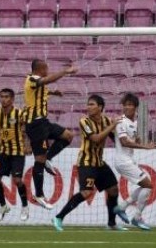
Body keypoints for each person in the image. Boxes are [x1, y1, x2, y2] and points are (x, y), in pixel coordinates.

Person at [52, 94, 129, 232]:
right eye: (88, 104)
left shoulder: (106, 121)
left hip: (99, 162)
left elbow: (117, 138)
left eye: (92, 104)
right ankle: (59, 217)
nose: (88, 107)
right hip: (86, 162)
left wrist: (128, 136)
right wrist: (112, 125)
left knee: (113, 190)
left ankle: (111, 223)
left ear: (100, 107)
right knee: (86, 192)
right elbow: (96, 139)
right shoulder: (84, 121)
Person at [22, 59, 77, 209]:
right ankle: (39, 195)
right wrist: (65, 71)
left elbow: (43, 89)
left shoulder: (39, 83)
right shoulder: (32, 79)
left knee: (68, 136)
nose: (48, 71)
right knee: (39, 159)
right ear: (40, 69)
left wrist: (54, 93)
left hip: (43, 122)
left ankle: (49, 158)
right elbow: (46, 80)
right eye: (46, 68)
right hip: (35, 124)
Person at [113, 93, 156, 231]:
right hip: (122, 161)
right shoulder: (120, 121)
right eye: (125, 105)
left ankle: (121, 207)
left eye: (130, 105)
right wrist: (145, 147)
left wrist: (140, 141)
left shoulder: (136, 122)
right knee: (148, 185)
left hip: (129, 160)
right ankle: (136, 217)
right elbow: (124, 142)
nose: (127, 107)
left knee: (146, 185)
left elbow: (133, 139)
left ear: (136, 107)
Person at [0, 88, 30, 222]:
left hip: (17, 151)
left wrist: (27, 145)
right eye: (1, 97)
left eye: (6, 97)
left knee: (17, 181)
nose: (3, 99)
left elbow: (25, 130)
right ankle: (3, 206)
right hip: (3, 151)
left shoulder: (19, 113)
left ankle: (25, 206)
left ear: (12, 99)